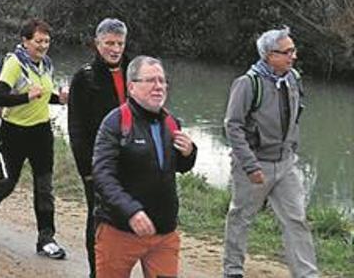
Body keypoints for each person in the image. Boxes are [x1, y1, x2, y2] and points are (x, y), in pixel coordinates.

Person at [222, 27, 318, 278]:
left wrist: (292, 149)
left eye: (293, 50)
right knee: (241, 217)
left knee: (296, 219)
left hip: (285, 163)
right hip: (254, 164)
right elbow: (232, 126)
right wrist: (250, 166)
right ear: (268, 55)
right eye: (285, 52)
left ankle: (307, 274)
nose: (292, 56)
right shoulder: (247, 84)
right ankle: (232, 271)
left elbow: (296, 116)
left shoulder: (293, 78)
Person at [92, 55, 197, 278]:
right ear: (132, 87)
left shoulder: (171, 122)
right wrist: (132, 211)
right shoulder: (115, 122)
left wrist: (189, 153)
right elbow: (102, 175)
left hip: (163, 231)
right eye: (150, 80)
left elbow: (178, 167)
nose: (159, 86)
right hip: (119, 229)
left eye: (162, 80)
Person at [0, 18, 67, 259]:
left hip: (41, 132)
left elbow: (42, 95)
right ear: (25, 42)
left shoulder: (46, 64)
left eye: (46, 41)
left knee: (44, 187)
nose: (43, 46)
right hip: (13, 133)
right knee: (7, 183)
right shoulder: (15, 63)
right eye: (38, 41)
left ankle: (46, 239)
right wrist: (26, 97)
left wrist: (60, 99)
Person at [67, 17, 130, 277]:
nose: (115, 49)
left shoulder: (136, 70)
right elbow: (76, 129)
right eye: (109, 43)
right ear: (97, 43)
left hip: (133, 160)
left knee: (130, 219)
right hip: (99, 163)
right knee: (100, 220)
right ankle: (98, 272)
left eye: (120, 43)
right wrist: (87, 169)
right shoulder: (84, 78)